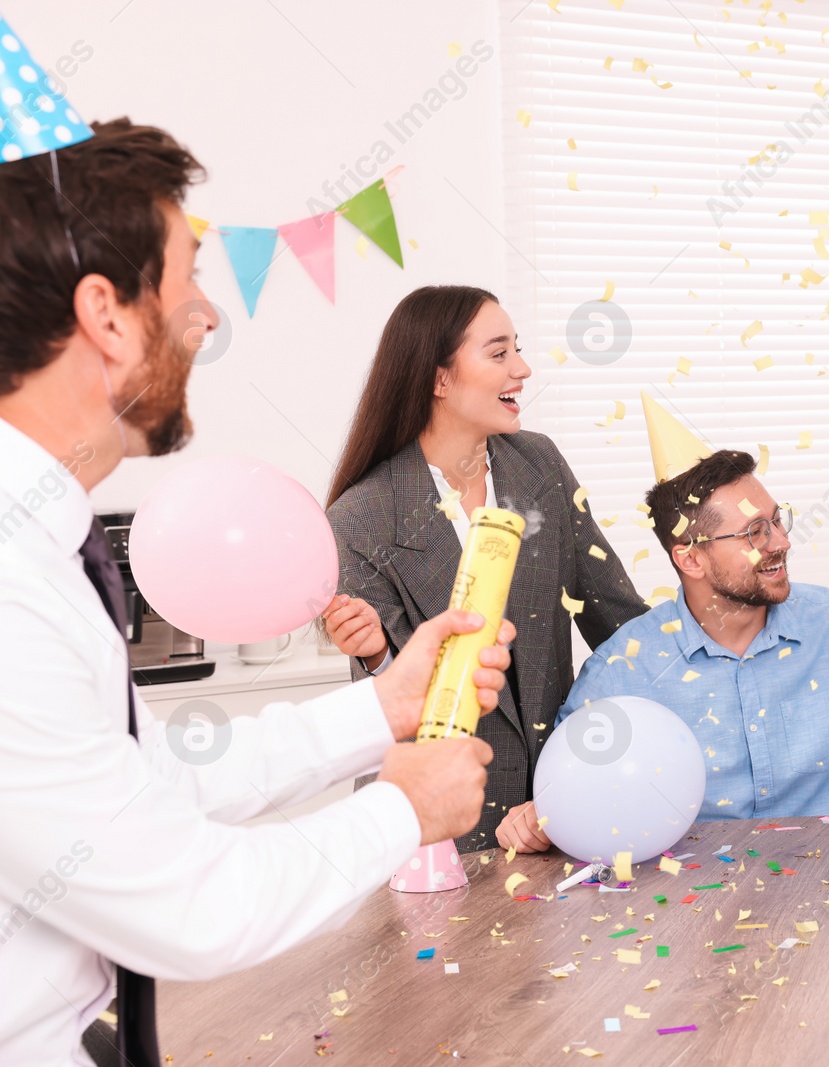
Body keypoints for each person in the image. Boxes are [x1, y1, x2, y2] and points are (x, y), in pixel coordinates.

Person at [0, 118, 509, 1067]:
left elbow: (153, 793)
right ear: (106, 314)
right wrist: (402, 808)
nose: (206, 316)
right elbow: (187, 900)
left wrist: (383, 704)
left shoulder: (46, 541)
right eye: (188, 276)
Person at [523, 405, 829, 836]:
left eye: (777, 521)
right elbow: (566, 792)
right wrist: (537, 820)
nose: (781, 542)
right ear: (691, 558)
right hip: (686, 900)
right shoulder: (622, 672)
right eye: (755, 532)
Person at [323, 285, 647, 854]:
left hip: (556, 810)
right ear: (438, 378)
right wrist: (374, 654)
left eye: (515, 350)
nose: (521, 369)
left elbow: (617, 623)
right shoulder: (359, 518)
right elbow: (391, 711)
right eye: (498, 354)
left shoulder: (539, 464)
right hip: (437, 830)